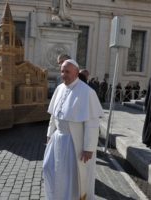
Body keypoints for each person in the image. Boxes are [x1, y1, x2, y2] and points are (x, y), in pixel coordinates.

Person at [43, 59, 104, 200]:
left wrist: (89, 148)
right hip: (57, 139)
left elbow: (92, 124)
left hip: (74, 142)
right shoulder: (59, 88)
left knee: (70, 177)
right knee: (49, 169)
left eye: (67, 71)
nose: (64, 74)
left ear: (76, 72)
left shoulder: (87, 92)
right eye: (62, 71)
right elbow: (53, 115)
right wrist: (49, 134)